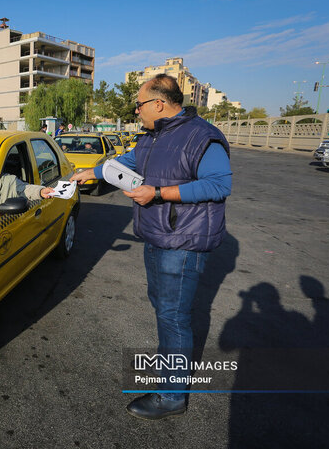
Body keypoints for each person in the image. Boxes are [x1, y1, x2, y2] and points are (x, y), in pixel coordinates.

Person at [70, 74, 232, 420]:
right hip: (158, 237)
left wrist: (157, 193)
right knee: (164, 308)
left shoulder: (202, 136)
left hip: (182, 243)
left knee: (173, 316)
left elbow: (219, 185)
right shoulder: (153, 136)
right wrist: (91, 172)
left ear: (158, 104)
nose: (136, 111)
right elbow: (128, 164)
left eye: (139, 105)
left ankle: (172, 395)